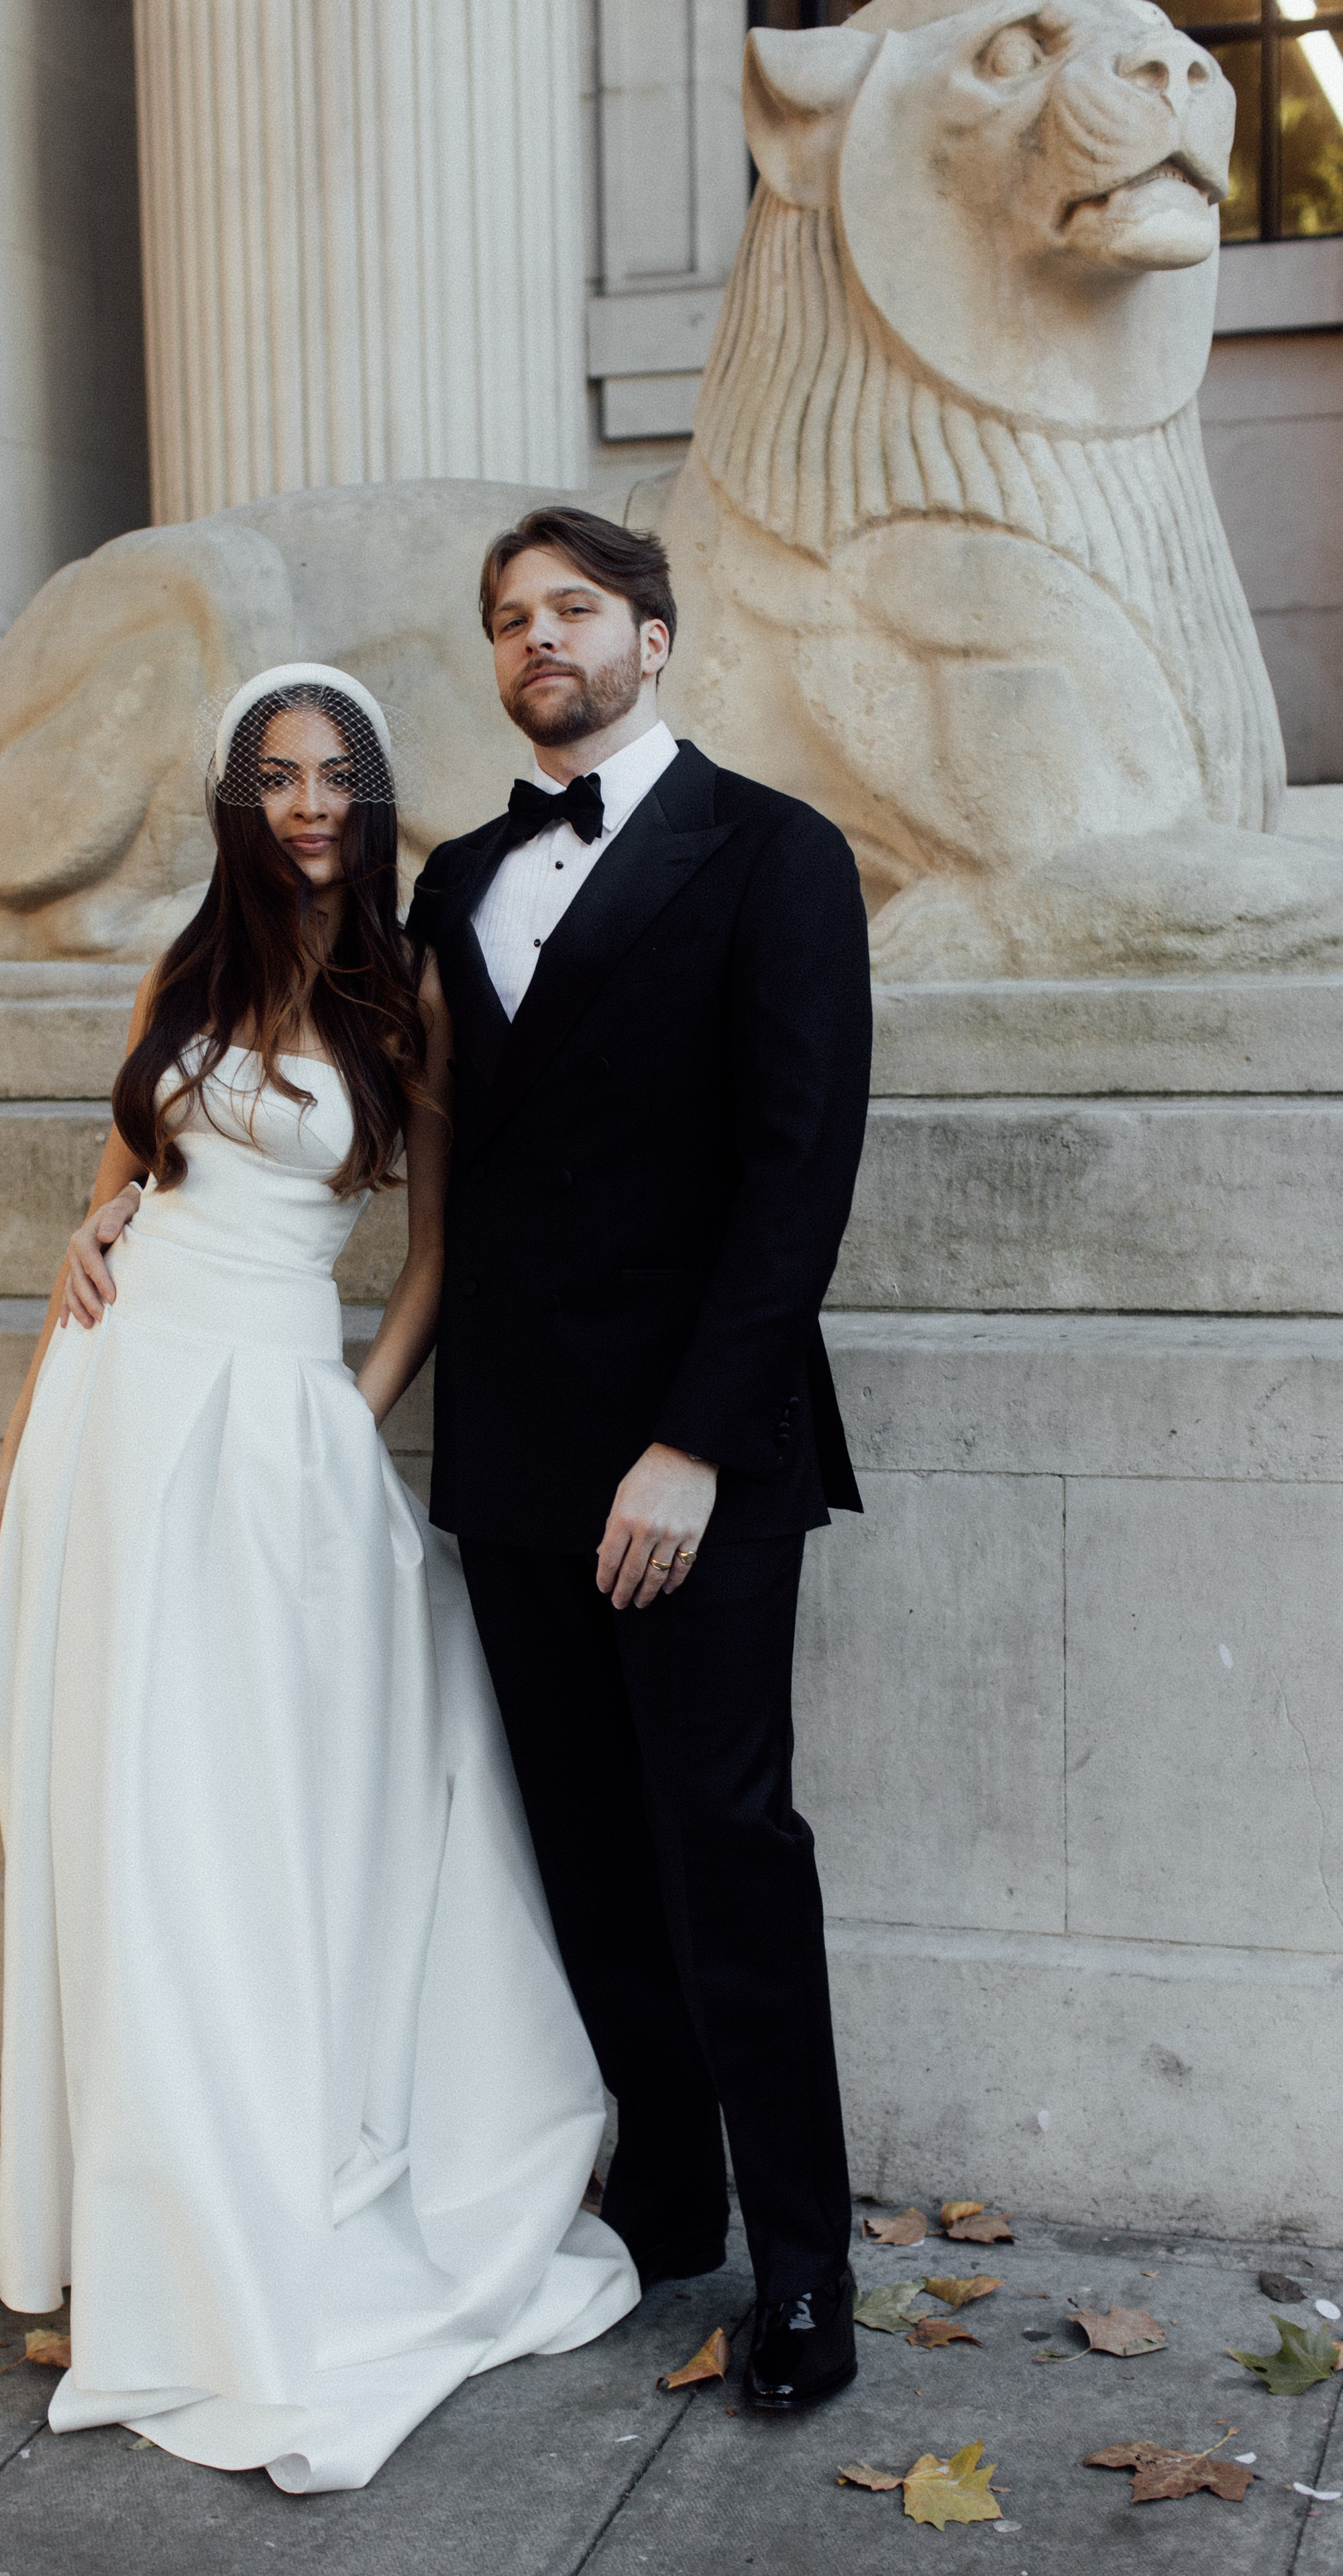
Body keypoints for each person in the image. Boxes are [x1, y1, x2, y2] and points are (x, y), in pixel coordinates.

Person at [0, 662, 637, 2496]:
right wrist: (26, 1449)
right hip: (123, 1411)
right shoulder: (185, 973)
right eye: (276, 776)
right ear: (239, 802)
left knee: (247, 1813)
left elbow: (433, 1255)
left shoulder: (406, 985)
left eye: (336, 773)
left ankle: (263, 2181)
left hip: (278, 1416)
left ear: (372, 793)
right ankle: (137, 2214)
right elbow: (111, 1196)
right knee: (128, 1806)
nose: (308, 802)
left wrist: (346, 1419)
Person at [407, 509, 872, 2410]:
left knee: (728, 1849)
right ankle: (668, 2200)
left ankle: (808, 2269)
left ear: (655, 637)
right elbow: (405, 1130)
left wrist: (689, 1445)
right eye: (511, 618)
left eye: (576, 608)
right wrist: (135, 1189)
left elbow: (799, 1171)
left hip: (698, 1450)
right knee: (588, 1851)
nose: (541, 638)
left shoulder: (774, 852)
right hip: (516, 1446)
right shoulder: (453, 879)